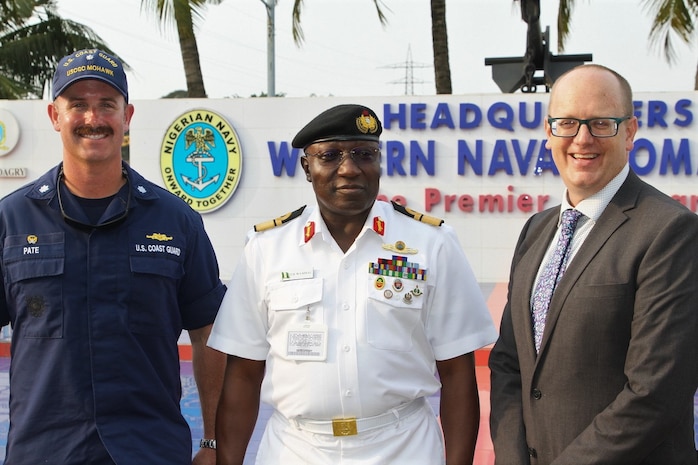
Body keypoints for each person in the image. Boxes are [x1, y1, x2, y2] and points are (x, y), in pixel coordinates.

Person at [208, 104, 498, 465]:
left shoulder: (431, 244)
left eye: (364, 154)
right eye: (330, 156)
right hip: (296, 450)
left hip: (403, 448)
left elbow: (457, 372)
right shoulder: (267, 249)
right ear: (306, 168)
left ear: (380, 162)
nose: (348, 169)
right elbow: (243, 374)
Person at [0, 49, 226, 464]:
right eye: (78, 105)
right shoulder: (10, 220)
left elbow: (209, 333)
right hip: (43, 453)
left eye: (107, 104)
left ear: (127, 116)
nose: (93, 118)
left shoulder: (177, 221)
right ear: (54, 115)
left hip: (150, 451)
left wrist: (212, 443)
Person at [488, 64, 698, 465]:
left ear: (630, 131)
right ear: (549, 132)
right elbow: (509, 362)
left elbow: (654, 394)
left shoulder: (671, 232)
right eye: (567, 123)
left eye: (601, 123)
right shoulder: (536, 229)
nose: (582, 139)